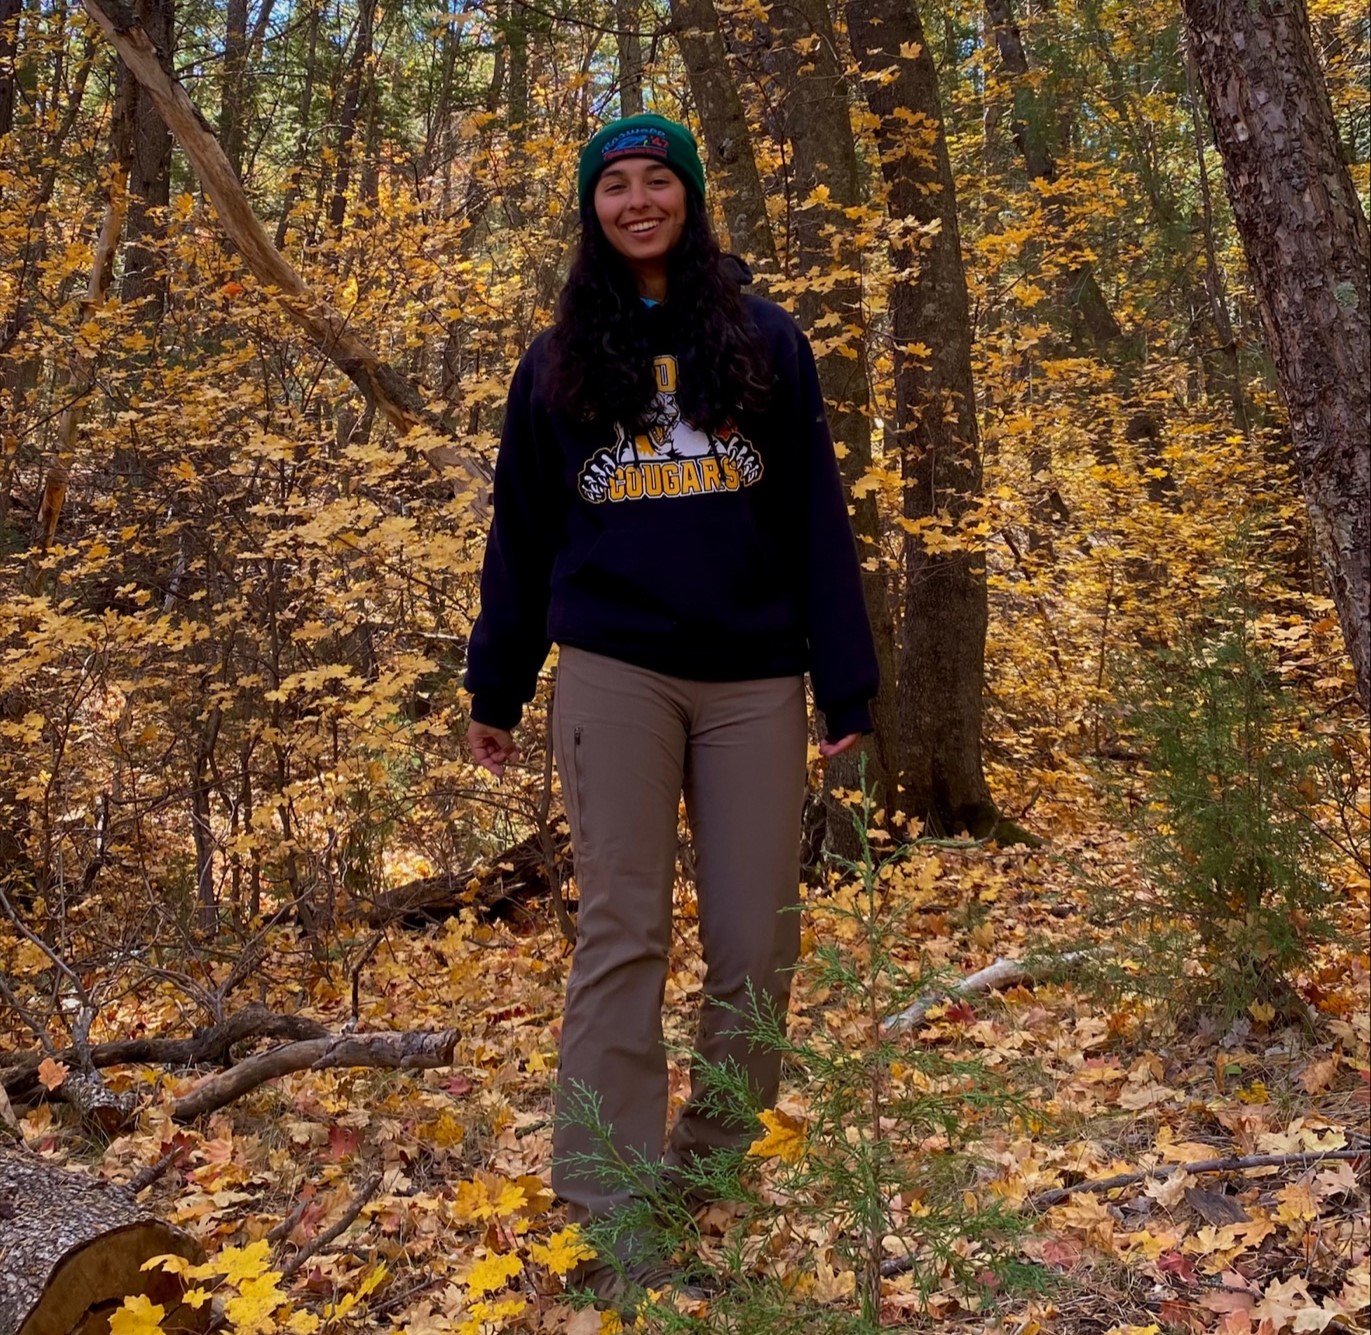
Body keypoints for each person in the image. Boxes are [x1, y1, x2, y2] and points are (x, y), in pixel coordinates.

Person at [463, 112, 878, 1304]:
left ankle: (706, 1172)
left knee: (757, 944)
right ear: (592, 210)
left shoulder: (765, 341)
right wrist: (496, 683)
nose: (637, 202)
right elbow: (523, 534)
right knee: (623, 933)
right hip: (615, 673)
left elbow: (815, 520)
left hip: (755, 679)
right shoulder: (556, 361)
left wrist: (846, 678)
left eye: (658, 182)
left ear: (690, 198)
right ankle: (607, 1203)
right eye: (615, 186)